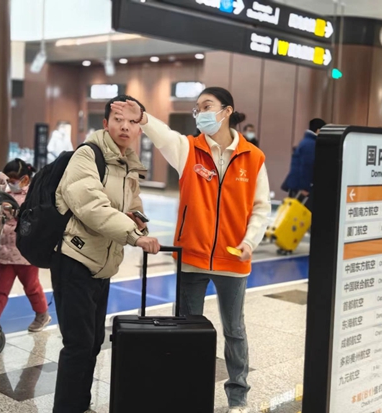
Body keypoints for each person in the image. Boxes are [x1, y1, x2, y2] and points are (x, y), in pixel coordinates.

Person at [111, 87, 271, 413]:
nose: (200, 113)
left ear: (227, 111)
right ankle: (184, 393)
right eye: (197, 108)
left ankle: (238, 396)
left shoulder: (253, 157)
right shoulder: (189, 149)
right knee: (185, 330)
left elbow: (261, 208)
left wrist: (249, 241)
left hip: (232, 259)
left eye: (207, 106)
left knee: (235, 331)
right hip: (192, 257)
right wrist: (143, 118)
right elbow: (164, 137)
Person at [51, 95, 161, 413]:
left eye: (132, 121)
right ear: (105, 123)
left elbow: (132, 203)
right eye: (118, 120)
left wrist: (138, 218)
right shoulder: (88, 155)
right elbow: (91, 206)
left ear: (139, 128)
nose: (124, 126)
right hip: (74, 259)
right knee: (79, 344)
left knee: (93, 342)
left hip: (103, 264)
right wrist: (134, 236)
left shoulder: (127, 164)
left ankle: (80, 405)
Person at [0, 158, 51, 332]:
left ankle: (42, 314)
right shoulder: (4, 194)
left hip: (26, 254)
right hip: (5, 253)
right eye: (9, 180)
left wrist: (15, 211)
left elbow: (35, 219)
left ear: (25, 179)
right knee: (0, 290)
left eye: (13, 180)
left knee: (32, 287)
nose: (11, 184)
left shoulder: (34, 196)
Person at [281, 118, 326, 210]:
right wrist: (305, 188)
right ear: (318, 130)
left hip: (297, 185)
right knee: (300, 213)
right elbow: (307, 167)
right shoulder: (311, 144)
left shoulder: (306, 142)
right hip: (301, 188)